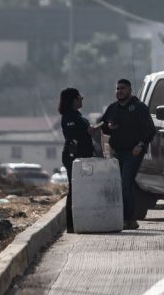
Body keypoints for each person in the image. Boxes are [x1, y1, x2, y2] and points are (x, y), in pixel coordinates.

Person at [99, 78, 156, 230]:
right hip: (118, 152)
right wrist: (108, 126)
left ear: (130, 90)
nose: (120, 91)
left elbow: (150, 130)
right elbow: (103, 125)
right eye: (117, 89)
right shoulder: (113, 108)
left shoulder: (139, 108)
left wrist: (141, 144)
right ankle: (130, 219)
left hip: (133, 152)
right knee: (121, 186)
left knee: (125, 184)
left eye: (123, 88)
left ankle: (127, 218)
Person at [58, 87, 98, 234]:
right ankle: (71, 224)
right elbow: (71, 135)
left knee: (84, 189)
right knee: (74, 190)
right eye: (80, 97)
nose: (82, 99)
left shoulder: (77, 115)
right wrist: (86, 132)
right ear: (73, 100)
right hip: (73, 157)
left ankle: (83, 221)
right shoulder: (68, 116)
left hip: (83, 155)